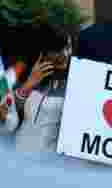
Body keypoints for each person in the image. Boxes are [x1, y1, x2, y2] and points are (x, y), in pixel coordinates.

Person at [13, 25, 73, 154]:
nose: (65, 54)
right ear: (43, 51)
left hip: (48, 162)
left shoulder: (75, 82)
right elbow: (10, 115)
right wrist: (29, 84)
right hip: (17, 155)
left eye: (68, 47)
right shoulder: (25, 76)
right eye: (58, 49)